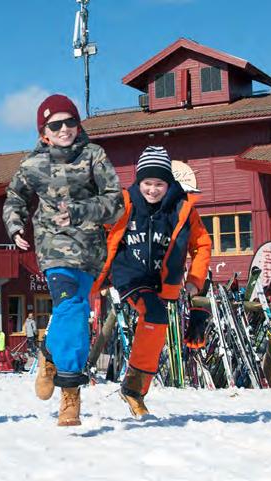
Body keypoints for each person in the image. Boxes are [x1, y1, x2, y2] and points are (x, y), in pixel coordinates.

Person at [2, 94, 123, 427]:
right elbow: (15, 199)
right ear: (44, 133)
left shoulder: (94, 156)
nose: (65, 129)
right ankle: (70, 393)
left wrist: (83, 211)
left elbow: (117, 203)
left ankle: (51, 355)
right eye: (56, 125)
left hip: (90, 252)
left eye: (70, 121)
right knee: (69, 306)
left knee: (76, 312)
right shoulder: (32, 166)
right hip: (54, 249)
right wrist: (15, 228)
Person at [91, 146, 211, 419]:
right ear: (138, 181)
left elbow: (202, 245)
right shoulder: (123, 202)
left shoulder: (182, 208)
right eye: (147, 183)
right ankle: (133, 388)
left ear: (168, 183)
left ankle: (134, 388)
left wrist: (195, 280)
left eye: (159, 184)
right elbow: (95, 226)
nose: (153, 190)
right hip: (129, 274)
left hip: (162, 280)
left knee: (157, 322)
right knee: (154, 313)